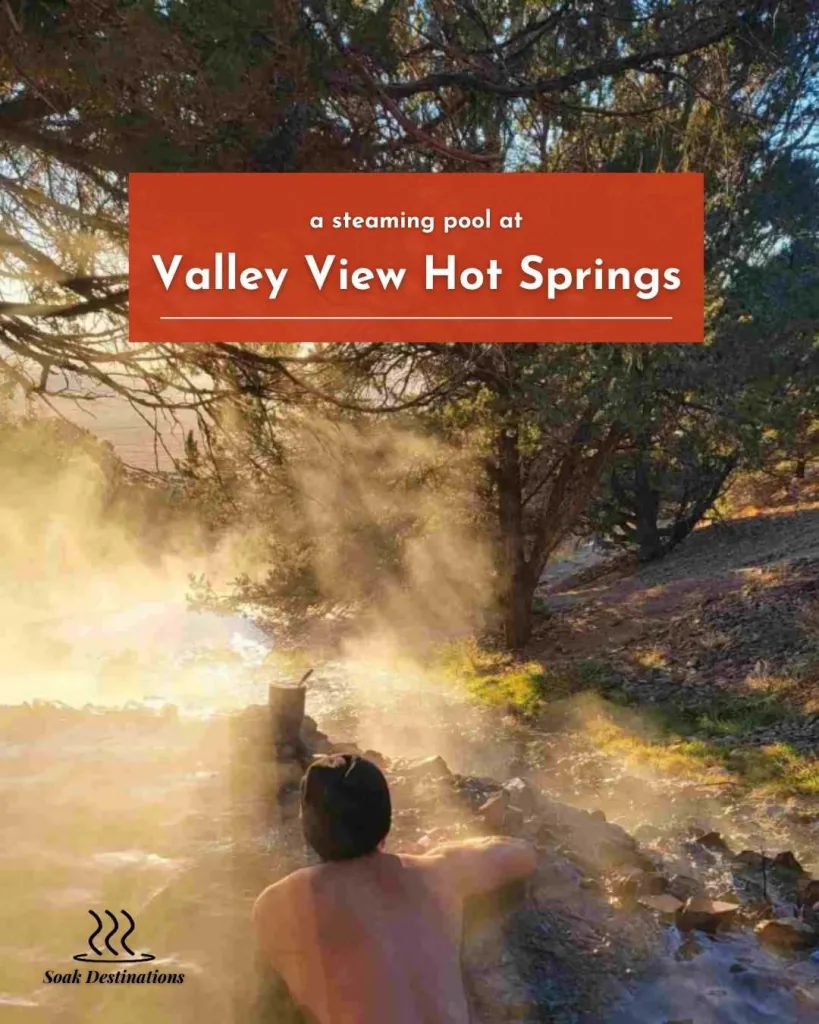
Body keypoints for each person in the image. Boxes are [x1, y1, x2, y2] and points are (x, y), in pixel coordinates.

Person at [253, 753, 538, 1024]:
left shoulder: (280, 903)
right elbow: (521, 853)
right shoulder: (439, 872)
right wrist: (440, 851)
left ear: (308, 828)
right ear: (385, 819)